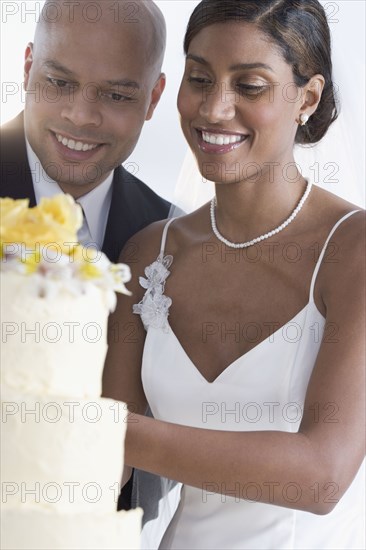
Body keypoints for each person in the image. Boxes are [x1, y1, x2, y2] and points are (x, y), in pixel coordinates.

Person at [102, 0, 365, 548]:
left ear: (307, 98)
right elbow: (102, 475)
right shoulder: (149, 253)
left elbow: (322, 477)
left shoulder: (354, 251)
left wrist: (100, 431)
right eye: (199, 78)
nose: (214, 109)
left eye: (250, 86)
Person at [0, 0, 171, 263]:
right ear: (27, 69)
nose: (81, 117)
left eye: (116, 95)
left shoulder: (169, 235)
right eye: (59, 82)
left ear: (154, 98)